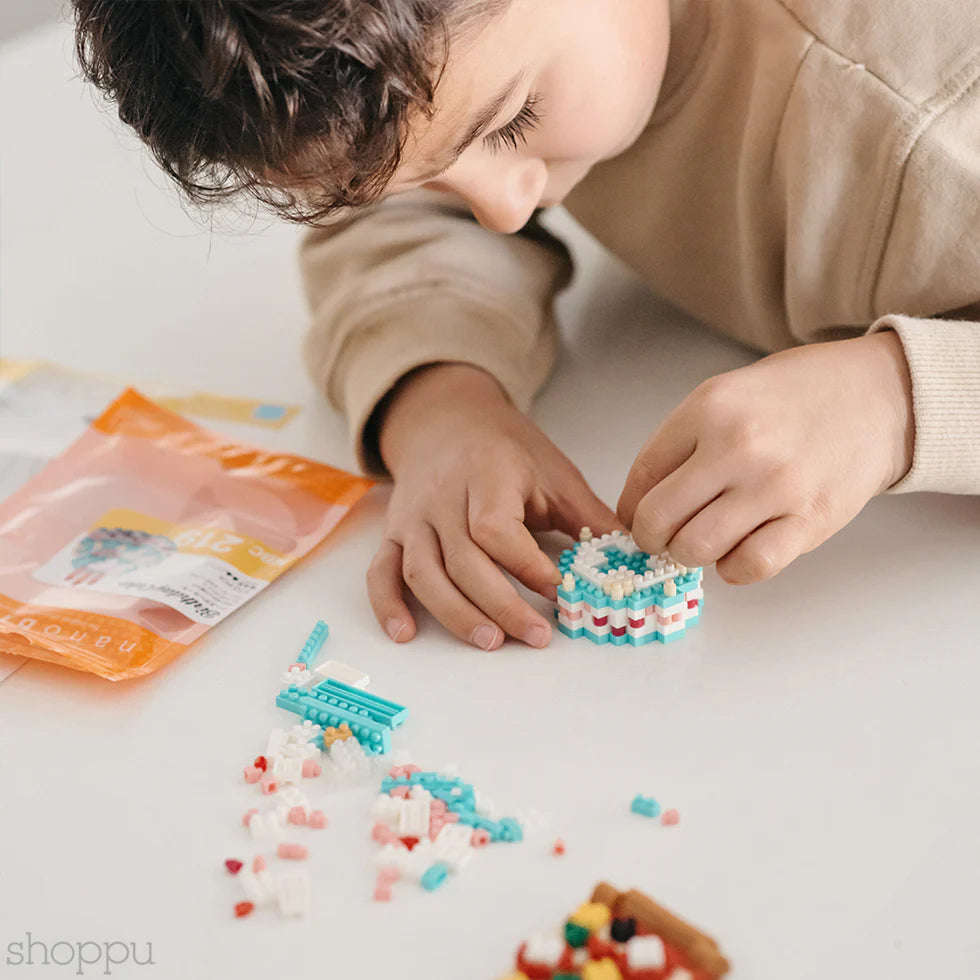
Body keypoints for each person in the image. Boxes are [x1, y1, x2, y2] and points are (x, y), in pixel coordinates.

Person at [72, 0, 980, 651]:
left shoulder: (927, 122)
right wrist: (441, 400)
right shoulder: (470, 52)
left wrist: (900, 403)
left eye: (512, 121)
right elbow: (396, 207)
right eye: (432, 171)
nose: (503, 210)